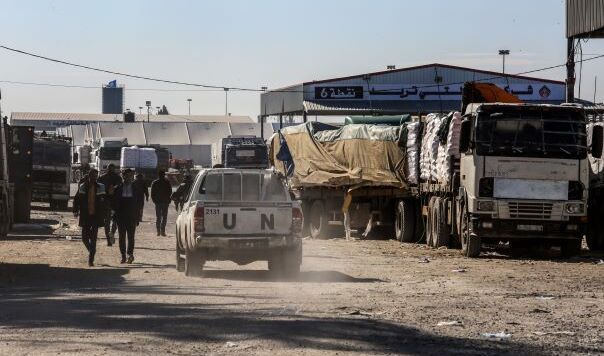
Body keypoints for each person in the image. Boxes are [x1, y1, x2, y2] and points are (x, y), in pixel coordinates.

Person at [73, 169, 107, 267]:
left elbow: (104, 202)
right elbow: (77, 199)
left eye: (96, 176)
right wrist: (75, 210)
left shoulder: (100, 187)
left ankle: (91, 259)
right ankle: (92, 250)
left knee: (93, 238)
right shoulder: (83, 186)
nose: (94, 178)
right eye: (93, 176)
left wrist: (105, 214)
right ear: (89, 176)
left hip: (96, 216)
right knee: (84, 238)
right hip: (86, 216)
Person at [113, 169, 145, 264]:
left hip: (132, 216)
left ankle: (130, 254)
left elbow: (140, 203)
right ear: (123, 176)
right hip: (120, 216)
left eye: (131, 176)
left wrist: (139, 216)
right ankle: (123, 256)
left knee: (131, 237)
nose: (129, 178)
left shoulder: (136, 188)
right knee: (122, 237)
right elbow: (114, 202)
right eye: (127, 176)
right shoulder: (118, 188)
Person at [98, 164, 122, 246]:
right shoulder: (118, 178)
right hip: (115, 203)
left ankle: (108, 239)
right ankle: (111, 233)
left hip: (106, 202)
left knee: (107, 222)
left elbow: (98, 191)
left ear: (107, 169)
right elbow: (120, 190)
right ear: (114, 169)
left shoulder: (102, 177)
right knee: (115, 221)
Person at [151, 170, 172, 236]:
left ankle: (158, 231)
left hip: (158, 202)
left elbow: (152, 193)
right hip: (165, 202)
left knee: (158, 217)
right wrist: (169, 199)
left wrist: (154, 200)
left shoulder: (155, 182)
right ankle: (162, 231)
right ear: (164, 175)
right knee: (164, 217)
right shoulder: (167, 182)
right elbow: (170, 192)